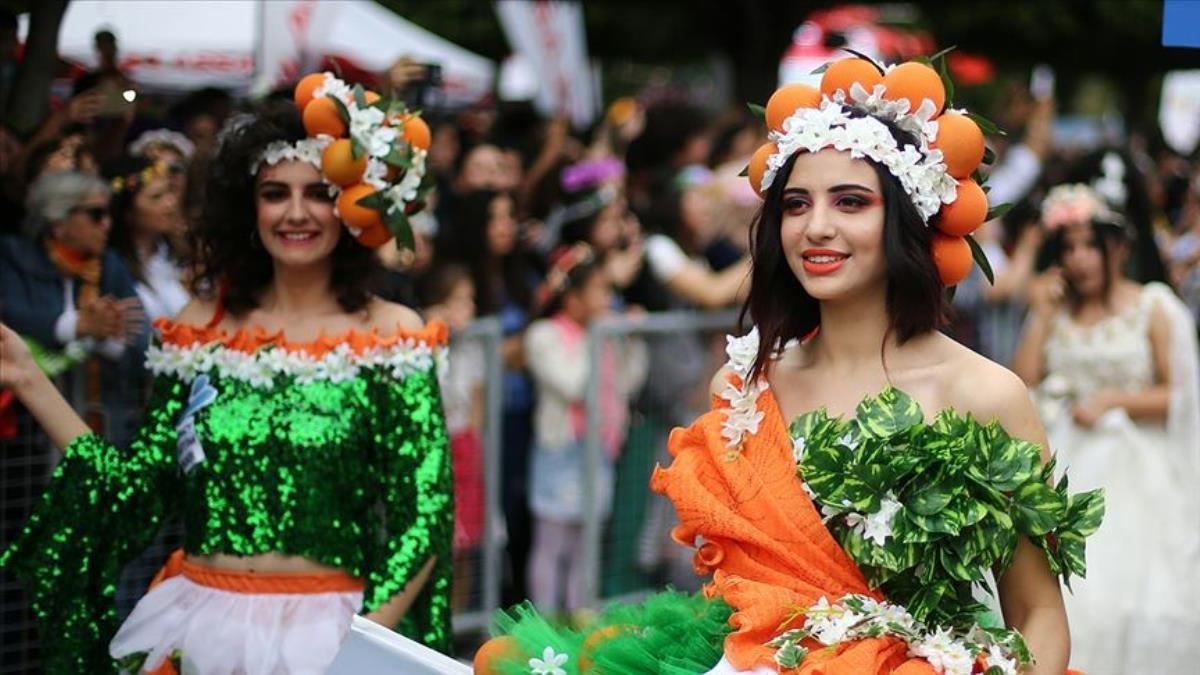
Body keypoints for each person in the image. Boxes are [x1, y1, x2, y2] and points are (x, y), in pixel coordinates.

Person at [478, 56, 1101, 675]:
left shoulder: (986, 393)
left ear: (907, 220)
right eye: (796, 204)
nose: (816, 227)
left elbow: (1038, 616)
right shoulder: (747, 384)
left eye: (851, 202)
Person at [0, 75, 453, 673]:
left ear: (351, 201)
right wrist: (29, 378)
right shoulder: (200, 330)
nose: (295, 213)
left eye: (317, 192)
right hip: (200, 628)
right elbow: (139, 492)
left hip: (333, 637)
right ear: (249, 206)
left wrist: (361, 650)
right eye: (274, 193)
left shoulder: (392, 332)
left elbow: (424, 509)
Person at [1013, 183, 1200, 673]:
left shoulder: (1154, 307)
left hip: (1136, 465)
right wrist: (1043, 316)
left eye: (1089, 246)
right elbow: (1020, 383)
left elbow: (1179, 395)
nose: (1078, 260)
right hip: (1067, 458)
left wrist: (1115, 400)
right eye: (1067, 248)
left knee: (1130, 593)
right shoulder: (1055, 312)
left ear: (1116, 248)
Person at [523, 244, 647, 614]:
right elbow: (573, 385)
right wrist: (598, 337)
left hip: (601, 449)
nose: (606, 299)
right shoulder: (544, 335)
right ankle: (542, 624)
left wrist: (633, 339)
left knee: (585, 544)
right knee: (553, 543)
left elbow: (629, 382)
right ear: (572, 297)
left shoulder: (604, 335)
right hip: (562, 450)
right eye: (598, 291)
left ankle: (580, 621)